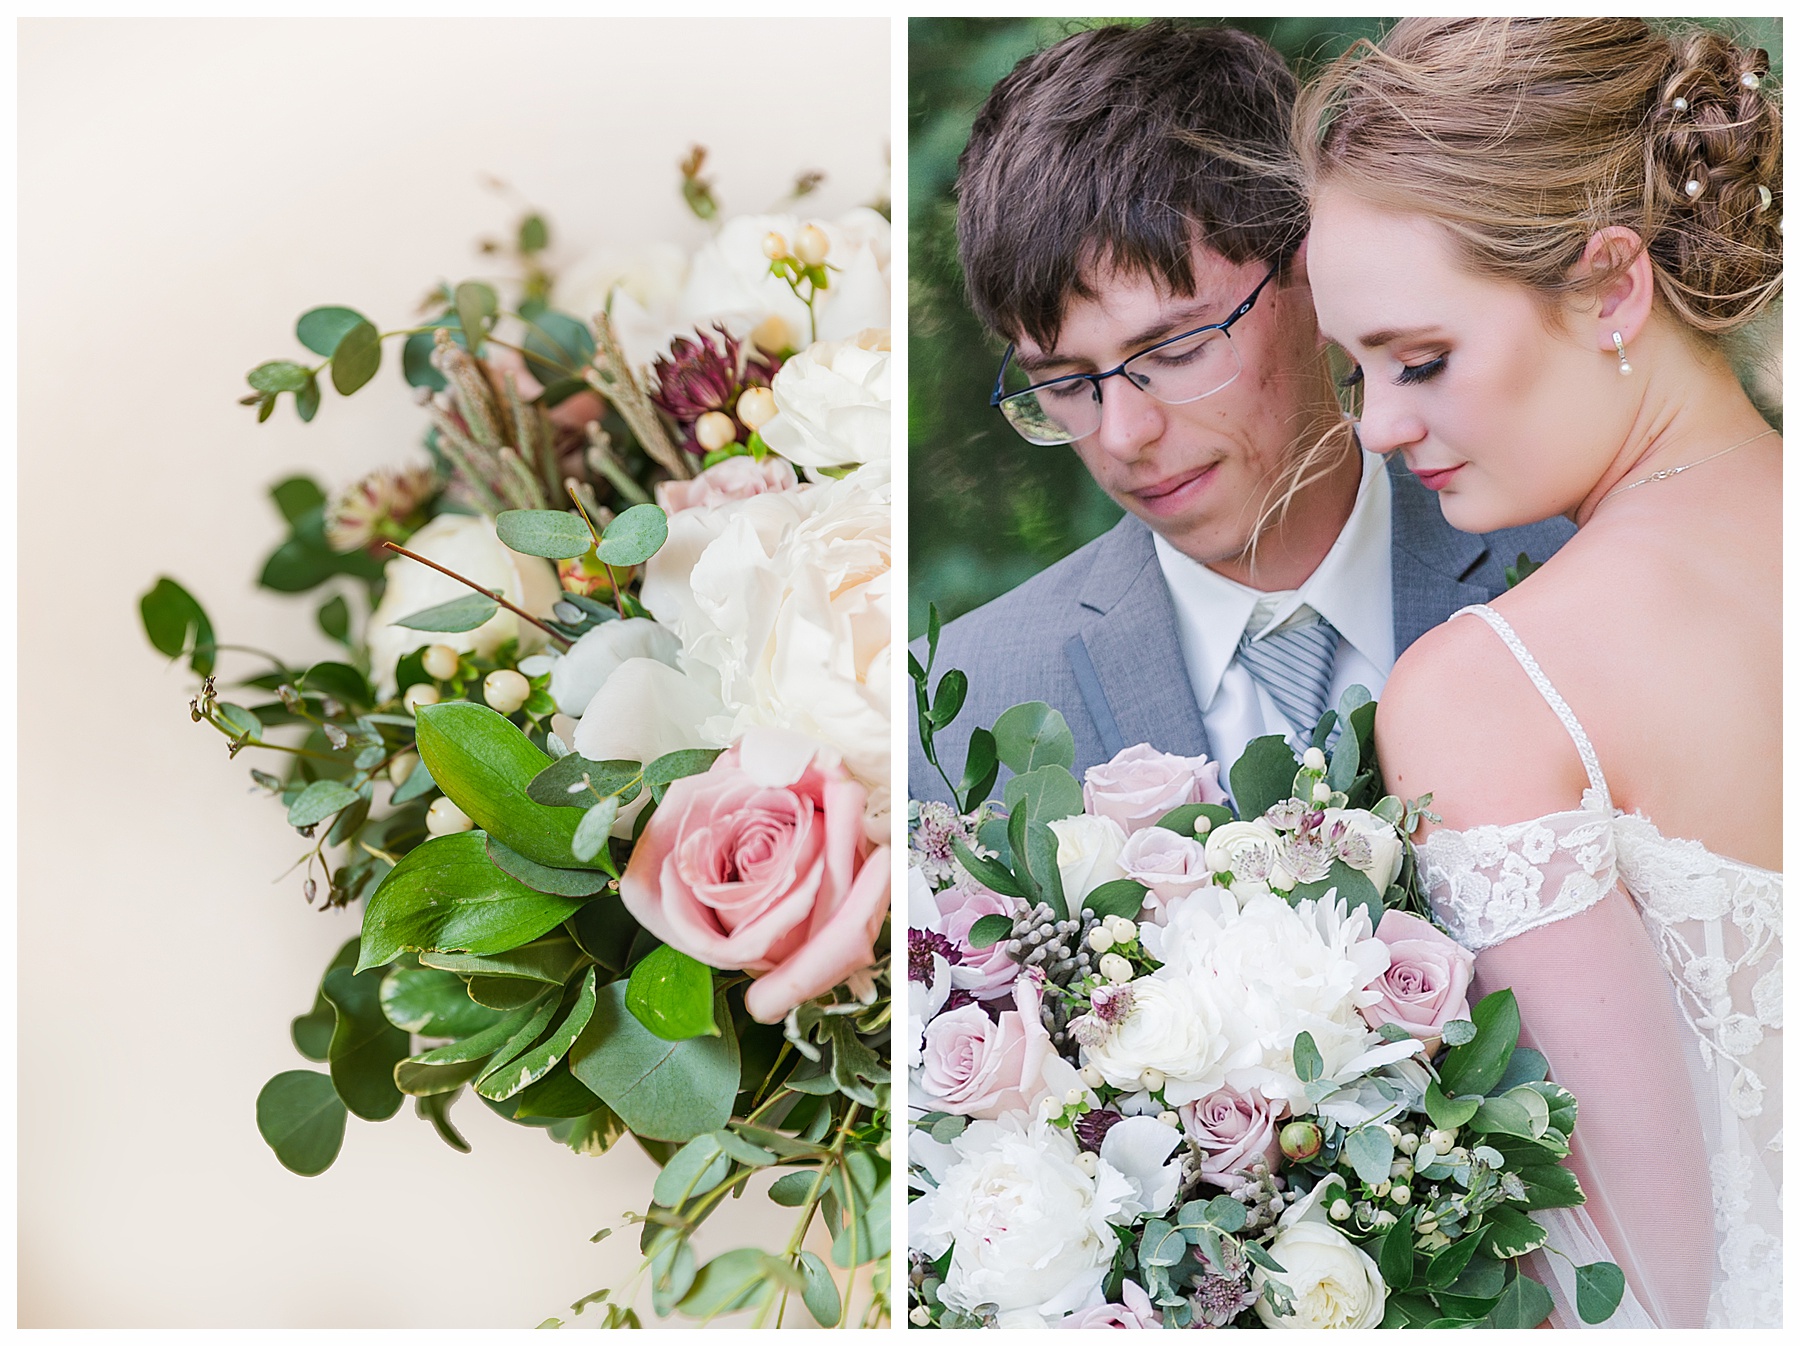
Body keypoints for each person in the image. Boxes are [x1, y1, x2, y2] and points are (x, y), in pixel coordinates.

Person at [1299, 16, 1781, 1328]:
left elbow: (1648, 1293)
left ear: (1613, 284)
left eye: (1422, 358)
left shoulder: (1492, 691)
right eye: (1357, 370)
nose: (1382, 425)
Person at [909, 21, 1573, 807]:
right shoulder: (947, 723)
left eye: (1177, 350)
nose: (1123, 436)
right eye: (1065, 382)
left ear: (1315, 279)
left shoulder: (1576, 573)